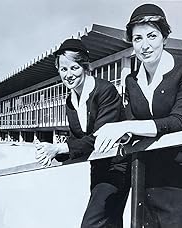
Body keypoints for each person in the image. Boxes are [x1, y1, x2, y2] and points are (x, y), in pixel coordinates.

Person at [94, 4, 182, 228]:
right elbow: (134, 121)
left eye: (152, 36)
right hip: (149, 165)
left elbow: (180, 121)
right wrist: (120, 135)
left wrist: (125, 126)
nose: (145, 45)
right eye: (137, 39)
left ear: (165, 37)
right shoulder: (132, 80)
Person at [35, 39, 131, 228]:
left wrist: (58, 148)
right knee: (110, 223)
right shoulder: (70, 100)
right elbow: (77, 139)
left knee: (91, 224)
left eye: (74, 68)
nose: (68, 75)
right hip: (98, 168)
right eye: (63, 70)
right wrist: (50, 151)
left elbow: (102, 136)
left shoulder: (105, 91)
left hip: (117, 166)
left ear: (85, 67)